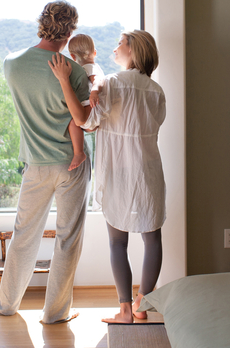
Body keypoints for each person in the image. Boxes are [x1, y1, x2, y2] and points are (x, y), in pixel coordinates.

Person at [49, 30, 166, 323]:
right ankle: (142, 304)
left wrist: (66, 82)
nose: (115, 47)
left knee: (118, 243)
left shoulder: (112, 84)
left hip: (117, 172)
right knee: (153, 240)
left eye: (120, 43)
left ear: (134, 50)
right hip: (149, 171)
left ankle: (125, 310)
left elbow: (85, 122)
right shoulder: (156, 91)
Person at [0, 0, 92, 325]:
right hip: (71, 165)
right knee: (67, 237)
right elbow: (81, 120)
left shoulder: (11, 64)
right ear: (70, 30)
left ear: (41, 23)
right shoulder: (73, 71)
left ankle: (6, 305)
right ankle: (55, 313)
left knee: (24, 235)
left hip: (35, 164)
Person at [65, 34, 105, 170]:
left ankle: (79, 152)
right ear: (94, 52)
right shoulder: (94, 66)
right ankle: (80, 152)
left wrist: (94, 92)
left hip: (90, 108)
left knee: (72, 122)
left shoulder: (89, 68)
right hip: (95, 112)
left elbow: (98, 81)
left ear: (72, 56)